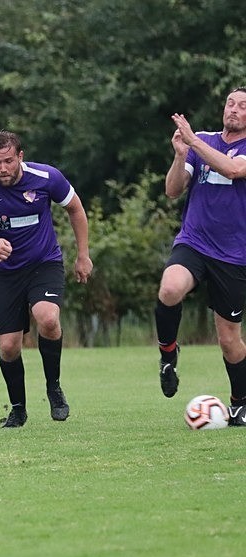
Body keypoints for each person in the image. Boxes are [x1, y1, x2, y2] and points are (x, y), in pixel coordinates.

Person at [0, 131, 93, 428]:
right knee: (8, 347)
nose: (2, 168)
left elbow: (75, 209)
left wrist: (83, 255)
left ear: (20, 156)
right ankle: (18, 408)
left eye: (7, 161)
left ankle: (53, 387)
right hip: (5, 273)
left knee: (48, 318)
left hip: (44, 263)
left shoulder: (47, 178)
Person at [155, 87, 246, 427]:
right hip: (195, 241)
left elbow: (234, 170)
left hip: (234, 255)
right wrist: (181, 154)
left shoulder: (213, 145)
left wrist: (193, 143)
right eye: (230, 103)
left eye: (242, 106)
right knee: (170, 288)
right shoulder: (202, 140)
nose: (233, 110)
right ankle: (168, 356)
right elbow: (172, 190)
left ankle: (240, 403)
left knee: (229, 339)